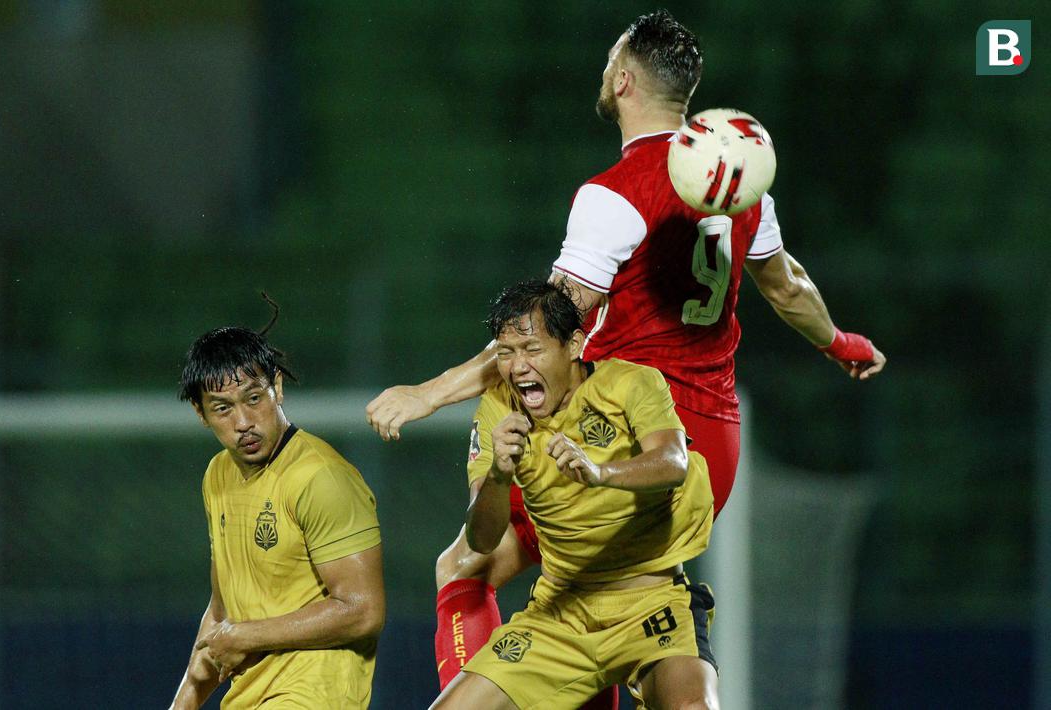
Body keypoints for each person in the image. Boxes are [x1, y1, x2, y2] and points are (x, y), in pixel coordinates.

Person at [365, 9, 886, 699]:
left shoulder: (614, 194)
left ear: (620, 79)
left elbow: (542, 332)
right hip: (713, 447)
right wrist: (839, 342)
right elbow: (785, 285)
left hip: (623, 425)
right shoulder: (737, 179)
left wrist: (428, 393)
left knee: (468, 567)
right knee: (619, 594)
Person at [431, 279, 718, 709]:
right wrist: (497, 476)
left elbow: (673, 463)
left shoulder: (631, 384)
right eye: (506, 353)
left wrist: (599, 472)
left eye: (532, 349)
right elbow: (482, 540)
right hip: (561, 616)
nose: (518, 367)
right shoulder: (497, 408)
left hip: (652, 604)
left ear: (575, 344)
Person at [168, 324, 385, 710]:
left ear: (277, 388)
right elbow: (223, 611)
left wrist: (246, 637)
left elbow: (363, 610)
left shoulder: (321, 477)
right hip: (249, 697)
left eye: (254, 398)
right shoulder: (217, 475)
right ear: (200, 413)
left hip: (314, 695)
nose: (244, 421)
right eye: (223, 408)